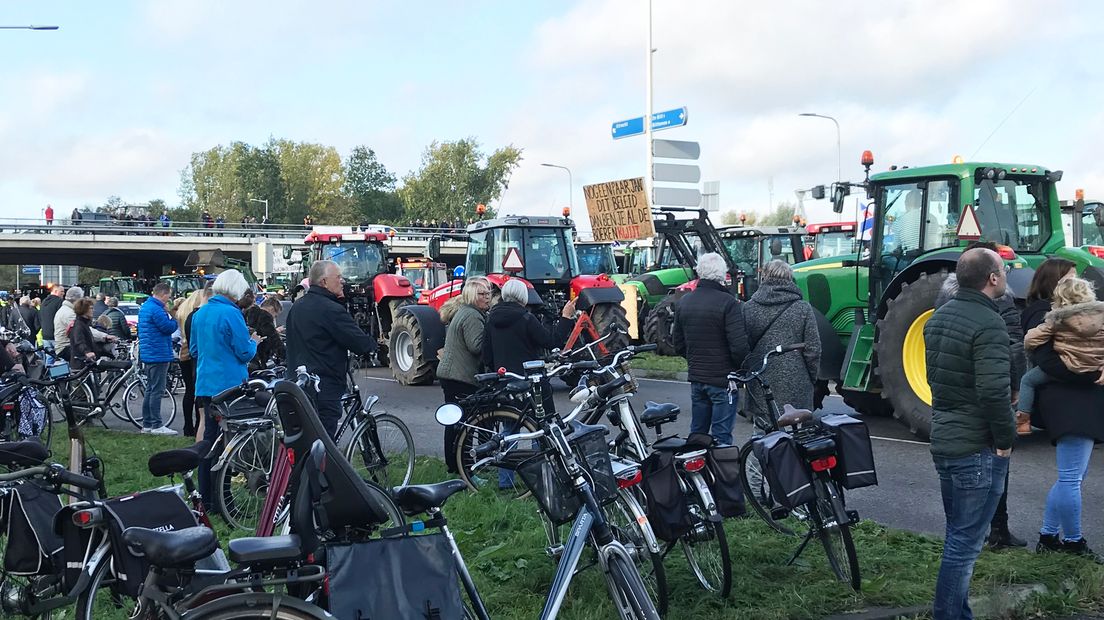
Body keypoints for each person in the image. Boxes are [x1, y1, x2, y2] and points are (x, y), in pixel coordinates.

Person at [923, 248, 1015, 620]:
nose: (1006, 274)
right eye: (1004, 269)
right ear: (992, 279)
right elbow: (994, 392)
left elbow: (937, 380)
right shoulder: (989, 324)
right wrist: (1007, 439)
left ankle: (957, 612)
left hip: (945, 439)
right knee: (965, 544)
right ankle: (948, 615)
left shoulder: (938, 318)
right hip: (975, 447)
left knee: (957, 536)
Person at [934, 240, 1028, 549]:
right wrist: (1015, 391)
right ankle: (998, 529)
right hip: (985, 399)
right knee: (994, 466)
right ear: (991, 275)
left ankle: (976, 533)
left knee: (957, 525)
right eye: (1001, 268)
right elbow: (1013, 346)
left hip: (949, 409)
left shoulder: (944, 303)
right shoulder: (997, 306)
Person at [284, 260, 375, 437]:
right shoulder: (332, 309)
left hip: (298, 384)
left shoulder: (297, 307)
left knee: (304, 441)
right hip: (323, 387)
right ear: (324, 282)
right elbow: (358, 341)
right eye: (338, 277)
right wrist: (370, 345)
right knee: (324, 444)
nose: (343, 281)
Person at [190, 272, 259, 500]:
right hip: (230, 386)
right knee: (229, 443)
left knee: (209, 440)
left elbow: (194, 350)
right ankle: (224, 496)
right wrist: (255, 343)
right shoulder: (232, 313)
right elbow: (244, 352)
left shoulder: (200, 313)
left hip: (205, 384)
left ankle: (206, 495)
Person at [671, 253, 749, 447]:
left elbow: (678, 343)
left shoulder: (685, 302)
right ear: (722, 274)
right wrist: (743, 368)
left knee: (697, 432)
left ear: (699, 272)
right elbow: (738, 346)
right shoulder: (728, 303)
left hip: (697, 377)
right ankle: (721, 475)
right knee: (721, 437)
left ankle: (695, 473)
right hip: (723, 380)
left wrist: (695, 359)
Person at [741, 260, 821, 422]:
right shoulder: (803, 308)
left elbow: (743, 346)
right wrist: (811, 377)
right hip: (797, 380)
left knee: (764, 434)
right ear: (790, 278)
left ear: (764, 277)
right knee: (797, 435)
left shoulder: (749, 307)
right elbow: (813, 348)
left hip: (761, 379)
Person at [437, 277, 492, 473]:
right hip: (460, 377)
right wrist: (491, 336)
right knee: (463, 425)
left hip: (452, 374)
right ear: (471, 295)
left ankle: (454, 465)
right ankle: (463, 467)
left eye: (488, 293)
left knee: (454, 422)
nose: (487, 298)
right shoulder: (472, 316)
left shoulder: (465, 312)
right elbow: (476, 346)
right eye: (482, 294)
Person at [137, 282, 179, 435]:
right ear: (163, 294)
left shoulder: (146, 307)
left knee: (150, 389)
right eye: (169, 296)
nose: (169, 299)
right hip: (158, 353)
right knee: (157, 390)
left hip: (149, 353)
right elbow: (168, 328)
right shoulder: (156, 309)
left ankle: (147, 424)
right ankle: (156, 425)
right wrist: (174, 317)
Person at [176, 286, 212, 437]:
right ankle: (198, 426)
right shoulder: (199, 315)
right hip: (195, 356)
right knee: (199, 393)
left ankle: (187, 427)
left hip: (184, 353)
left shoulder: (184, 313)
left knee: (189, 392)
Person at [55, 286, 115, 361]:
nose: (93, 311)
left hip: (67, 346)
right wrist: (104, 337)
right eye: (90, 308)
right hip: (67, 347)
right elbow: (81, 336)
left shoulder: (66, 310)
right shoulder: (70, 314)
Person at [245, 296, 284, 372]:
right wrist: (286, 355)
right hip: (257, 359)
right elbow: (273, 340)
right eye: (275, 315)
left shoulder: (249, 313)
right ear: (272, 309)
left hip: (247, 358)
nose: (274, 318)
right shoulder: (265, 316)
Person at [67, 298, 99, 372]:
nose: (93, 310)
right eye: (91, 308)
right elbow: (79, 341)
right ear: (84, 310)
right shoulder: (79, 325)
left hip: (83, 362)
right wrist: (86, 352)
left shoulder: (83, 324)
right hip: (80, 363)